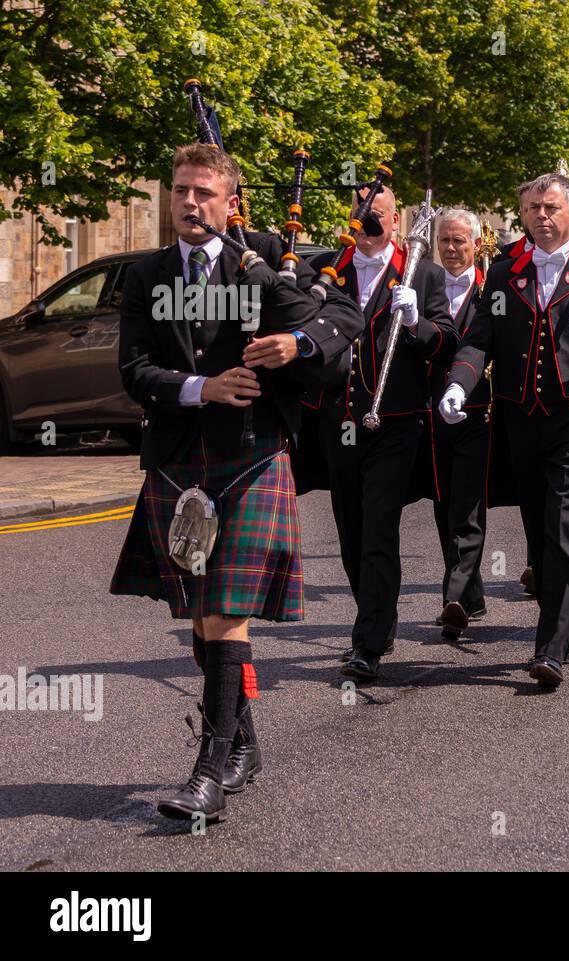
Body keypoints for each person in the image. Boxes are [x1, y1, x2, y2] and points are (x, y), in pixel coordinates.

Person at [110, 143, 364, 823]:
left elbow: (344, 321)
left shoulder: (270, 258)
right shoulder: (146, 274)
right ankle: (243, 740)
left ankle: (208, 770)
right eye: (179, 190)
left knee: (223, 609)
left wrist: (297, 346)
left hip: (251, 454)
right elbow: (134, 369)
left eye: (202, 193)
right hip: (176, 458)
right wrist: (202, 386)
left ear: (230, 202)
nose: (189, 204)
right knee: (202, 619)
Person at [438, 172, 569, 686]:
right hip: (519, 418)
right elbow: (478, 338)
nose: (541, 217)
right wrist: (459, 383)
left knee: (565, 527)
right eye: (532, 208)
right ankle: (562, 628)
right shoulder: (505, 273)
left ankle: (548, 648)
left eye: (551, 207)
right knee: (538, 530)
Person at [308, 185, 456, 682]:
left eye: (377, 211)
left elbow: (447, 343)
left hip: (395, 421)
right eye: (359, 209)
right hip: (341, 420)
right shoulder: (328, 270)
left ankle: (367, 640)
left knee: (377, 530)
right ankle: (379, 616)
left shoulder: (425, 272)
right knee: (350, 530)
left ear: (395, 220)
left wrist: (416, 322)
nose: (367, 217)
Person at [430, 208, 492, 640]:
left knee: (466, 507)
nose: (451, 249)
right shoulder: (425, 286)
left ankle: (453, 596)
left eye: (459, 242)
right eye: (445, 241)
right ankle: (472, 594)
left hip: (478, 411)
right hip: (432, 414)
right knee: (442, 505)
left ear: (476, 245)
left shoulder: (492, 291)